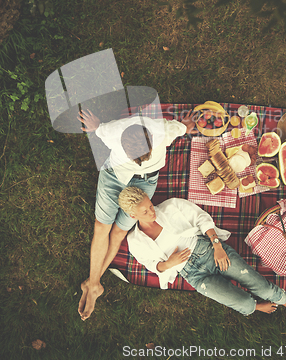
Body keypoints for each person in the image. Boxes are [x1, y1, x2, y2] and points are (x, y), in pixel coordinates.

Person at [118, 187, 286, 324]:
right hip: (193, 274)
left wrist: (217, 245)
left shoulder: (170, 206)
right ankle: (256, 306)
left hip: (207, 251)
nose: (152, 211)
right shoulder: (135, 241)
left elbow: (201, 218)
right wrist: (168, 264)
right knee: (242, 303)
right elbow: (152, 265)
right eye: (145, 212)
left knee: (258, 284)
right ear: (133, 216)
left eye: (150, 205)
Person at [76, 108, 197, 321]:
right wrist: (95, 126)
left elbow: (183, 127)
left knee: (119, 232)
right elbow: (99, 129)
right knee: (101, 228)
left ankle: (93, 284)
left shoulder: (163, 130)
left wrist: (186, 124)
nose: (140, 160)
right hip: (114, 176)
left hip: (145, 181)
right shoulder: (113, 131)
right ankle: (93, 285)